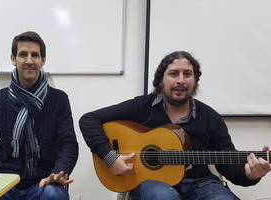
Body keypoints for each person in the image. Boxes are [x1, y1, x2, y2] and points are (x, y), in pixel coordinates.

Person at [79, 51, 271, 200]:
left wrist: (250, 174)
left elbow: (228, 165)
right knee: (163, 197)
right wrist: (110, 157)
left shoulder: (210, 117)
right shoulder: (142, 106)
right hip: (152, 182)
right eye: (173, 74)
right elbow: (88, 120)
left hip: (200, 182)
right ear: (161, 80)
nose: (181, 80)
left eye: (187, 74)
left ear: (195, 81)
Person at [0, 31, 78, 200]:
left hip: (43, 182)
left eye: (35, 55)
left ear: (43, 60)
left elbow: (68, 144)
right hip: (6, 183)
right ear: (13, 59)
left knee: (54, 194)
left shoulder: (59, 99)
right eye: (23, 55)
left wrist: (58, 173)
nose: (29, 61)